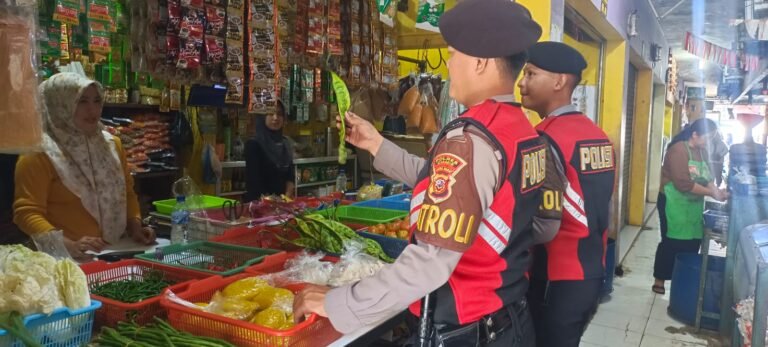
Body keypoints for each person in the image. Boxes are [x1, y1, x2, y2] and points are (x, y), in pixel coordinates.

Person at [293, 1, 545, 345]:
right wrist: (376, 144)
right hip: (510, 318)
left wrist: (338, 302)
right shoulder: (523, 132)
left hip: (467, 330)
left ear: (481, 62)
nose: (451, 64)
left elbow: (428, 264)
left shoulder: (470, 140)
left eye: (454, 54)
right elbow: (535, 222)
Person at [517, 41, 617, 347]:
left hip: (555, 280)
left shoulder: (543, 139)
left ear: (559, 81)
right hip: (592, 273)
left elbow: (538, 220)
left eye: (531, 74)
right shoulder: (598, 136)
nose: (521, 82)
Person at [13, 72, 155, 259]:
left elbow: (126, 192)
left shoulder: (111, 144)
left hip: (115, 251)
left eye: (97, 101)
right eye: (82, 101)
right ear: (60, 105)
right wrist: (68, 245)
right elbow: (27, 213)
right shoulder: (39, 153)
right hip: (63, 260)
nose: (93, 109)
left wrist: (135, 225)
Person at [652, 118, 728, 294]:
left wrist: (717, 191)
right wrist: (712, 194)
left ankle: (683, 280)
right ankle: (660, 280)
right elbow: (683, 184)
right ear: (695, 135)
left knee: (693, 242)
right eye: (708, 138)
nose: (709, 143)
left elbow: (707, 178)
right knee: (671, 242)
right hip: (673, 204)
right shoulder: (678, 150)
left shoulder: (700, 152)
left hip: (692, 205)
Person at [244, 100, 295, 202]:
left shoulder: (286, 144)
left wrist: (287, 197)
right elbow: (254, 182)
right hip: (259, 205)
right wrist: (270, 201)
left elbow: (290, 177)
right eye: (270, 113)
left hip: (282, 206)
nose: (275, 118)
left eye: (280, 114)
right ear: (262, 116)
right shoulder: (254, 144)